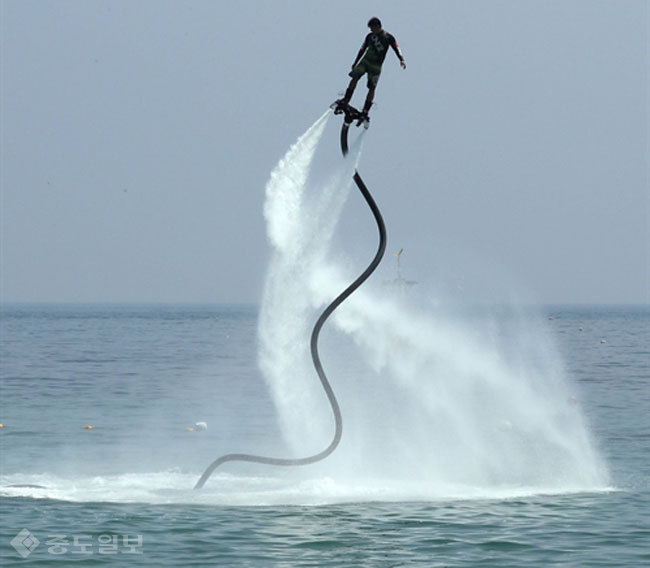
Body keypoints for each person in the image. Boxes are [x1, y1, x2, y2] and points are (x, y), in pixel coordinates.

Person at [337, 17, 406, 121]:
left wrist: (401, 59)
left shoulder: (388, 37)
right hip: (365, 61)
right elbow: (362, 49)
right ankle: (346, 99)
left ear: (378, 26)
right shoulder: (369, 36)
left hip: (376, 66)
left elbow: (396, 47)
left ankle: (365, 111)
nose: (371, 30)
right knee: (355, 78)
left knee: (371, 88)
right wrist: (355, 62)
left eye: (372, 28)